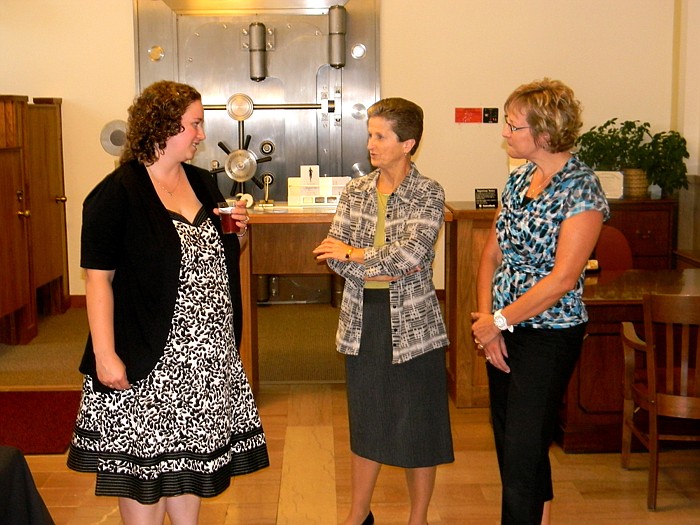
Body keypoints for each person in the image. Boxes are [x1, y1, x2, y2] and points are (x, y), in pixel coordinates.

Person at [67, 80, 269, 524]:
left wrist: (242, 233)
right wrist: (105, 355)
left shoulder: (202, 182)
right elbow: (97, 281)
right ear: (162, 127)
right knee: (144, 471)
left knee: (190, 466)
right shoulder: (117, 193)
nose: (200, 134)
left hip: (205, 358)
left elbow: (218, 259)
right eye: (194, 124)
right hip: (149, 356)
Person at [471, 78, 609, 525]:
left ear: (545, 134)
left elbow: (564, 278)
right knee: (513, 444)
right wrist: (486, 324)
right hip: (503, 328)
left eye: (513, 126)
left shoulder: (581, 189)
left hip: (551, 334)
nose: (504, 133)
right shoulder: (519, 180)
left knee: (523, 451)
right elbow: (490, 255)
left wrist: (498, 321)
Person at [313, 97, 454, 525]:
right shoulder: (356, 190)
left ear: (407, 143)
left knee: (419, 425)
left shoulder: (428, 192)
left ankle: (418, 518)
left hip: (414, 325)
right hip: (362, 321)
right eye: (369, 135)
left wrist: (357, 254)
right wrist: (370, 260)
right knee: (367, 421)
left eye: (380, 136)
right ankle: (358, 515)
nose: (371, 144)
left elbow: (411, 256)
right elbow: (330, 254)